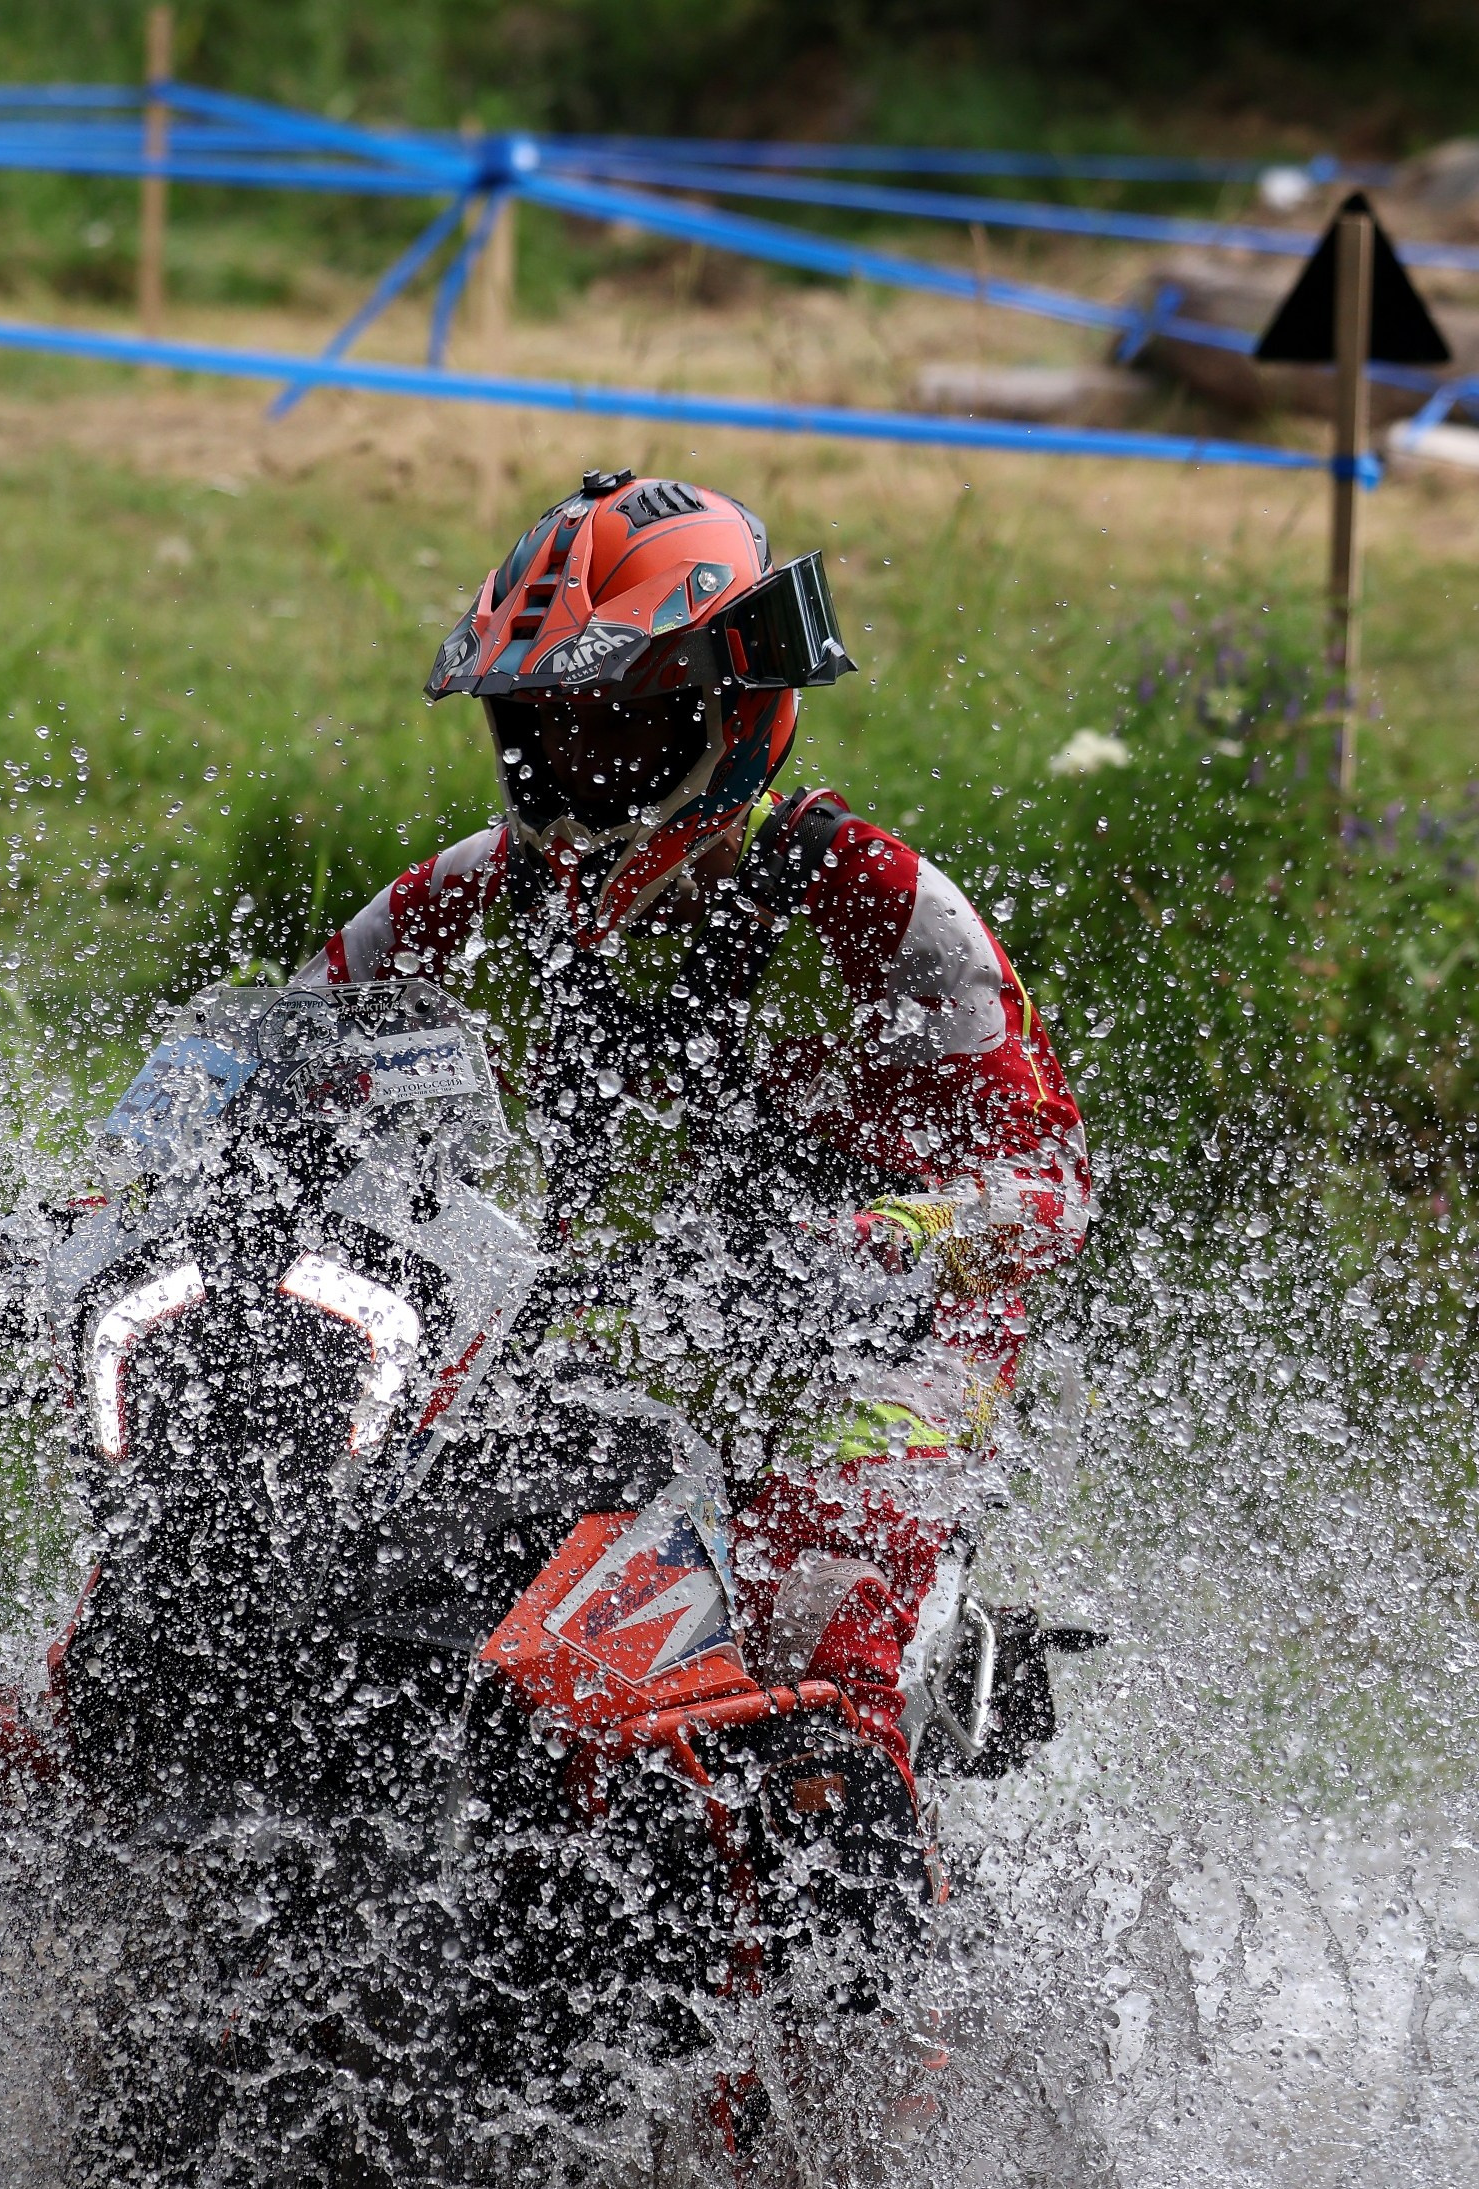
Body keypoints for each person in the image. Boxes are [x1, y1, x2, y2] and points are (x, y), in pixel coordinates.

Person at [288, 466, 1089, 1859]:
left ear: (739, 706)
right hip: (601, 1320)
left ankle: (880, 2034)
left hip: (875, 1348)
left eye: (619, 728)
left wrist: (886, 1240)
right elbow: (275, 1060)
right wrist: (110, 1208)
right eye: (550, 733)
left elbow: (1049, 1185)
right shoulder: (477, 888)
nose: (580, 771)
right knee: (341, 1564)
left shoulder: (881, 900)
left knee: (814, 1656)